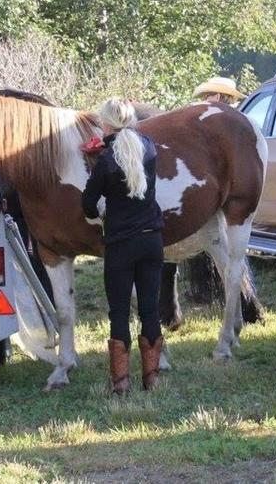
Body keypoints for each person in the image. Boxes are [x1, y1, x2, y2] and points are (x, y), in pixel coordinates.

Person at [81, 98, 165, 394]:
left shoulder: (105, 159)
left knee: (118, 312)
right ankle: (152, 378)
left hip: (121, 243)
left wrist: (96, 217)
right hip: (152, 239)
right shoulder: (150, 147)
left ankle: (121, 382)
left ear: (106, 123)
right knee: (149, 309)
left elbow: (88, 203)